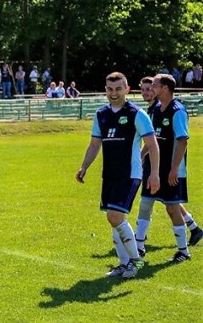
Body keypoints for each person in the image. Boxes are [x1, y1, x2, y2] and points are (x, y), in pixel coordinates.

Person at [76, 72, 160, 279]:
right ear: (106, 90)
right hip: (110, 173)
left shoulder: (137, 114)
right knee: (115, 219)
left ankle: (135, 260)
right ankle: (124, 264)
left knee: (114, 215)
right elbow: (95, 144)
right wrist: (84, 166)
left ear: (127, 89)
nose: (114, 93)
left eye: (118, 89)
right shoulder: (101, 114)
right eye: (110, 89)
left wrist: (155, 173)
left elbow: (152, 145)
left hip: (130, 172)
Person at [134, 76, 202, 255]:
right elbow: (152, 137)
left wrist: (174, 169)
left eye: (154, 85)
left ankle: (183, 251)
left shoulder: (177, 110)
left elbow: (182, 141)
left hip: (172, 169)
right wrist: (142, 156)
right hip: (154, 166)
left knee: (172, 208)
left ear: (164, 88)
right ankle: (138, 246)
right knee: (145, 202)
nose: (151, 89)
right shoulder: (156, 109)